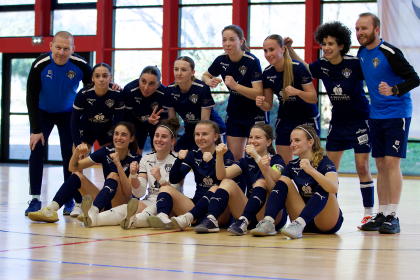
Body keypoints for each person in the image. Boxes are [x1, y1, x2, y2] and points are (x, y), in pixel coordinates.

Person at [284, 22, 374, 227]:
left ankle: (369, 213)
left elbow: (374, 76)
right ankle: (331, 209)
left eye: (331, 43)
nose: (326, 48)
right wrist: (290, 49)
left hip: (360, 121)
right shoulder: (322, 64)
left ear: (341, 45)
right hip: (338, 123)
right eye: (324, 43)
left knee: (362, 166)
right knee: (328, 169)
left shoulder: (355, 63)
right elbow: (306, 68)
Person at [355, 13, 420, 234]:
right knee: (380, 165)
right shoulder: (362, 53)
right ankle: (381, 213)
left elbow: (414, 78)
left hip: (397, 113)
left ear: (376, 30)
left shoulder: (389, 53)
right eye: (357, 29)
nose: (360, 32)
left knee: (392, 164)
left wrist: (394, 90)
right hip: (376, 115)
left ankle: (393, 216)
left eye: (364, 28)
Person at [26, 31, 93, 216]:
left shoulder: (81, 65)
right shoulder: (40, 65)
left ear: (73, 49)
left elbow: (94, 89)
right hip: (42, 113)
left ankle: (69, 198)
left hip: (68, 115)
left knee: (69, 153)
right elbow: (31, 97)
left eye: (66, 48)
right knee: (36, 150)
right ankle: (34, 198)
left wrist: (113, 86)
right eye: (58, 47)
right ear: (50, 47)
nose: (61, 52)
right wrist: (35, 130)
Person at [27, 122, 141, 224]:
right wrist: (76, 153)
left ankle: (93, 212)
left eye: (124, 135)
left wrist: (118, 164)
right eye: (116, 134)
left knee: (113, 175)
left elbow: (127, 192)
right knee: (77, 176)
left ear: (131, 139)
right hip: (105, 201)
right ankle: (51, 209)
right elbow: (73, 168)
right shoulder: (105, 152)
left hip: (123, 206)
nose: (119, 138)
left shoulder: (136, 159)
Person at [78, 118, 183, 229]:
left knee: (150, 210)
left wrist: (160, 178)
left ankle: (133, 220)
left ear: (173, 141)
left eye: (164, 137)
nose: (159, 139)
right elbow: (139, 193)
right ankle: (94, 219)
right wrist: (133, 175)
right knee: (124, 208)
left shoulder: (178, 160)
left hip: (168, 205)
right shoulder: (146, 158)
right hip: (149, 200)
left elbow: (173, 192)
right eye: (156, 136)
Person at [250, 125, 343, 239]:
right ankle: (268, 222)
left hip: (326, 221)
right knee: (283, 180)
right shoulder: (293, 165)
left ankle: (299, 224)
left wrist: (311, 171)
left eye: (297, 140)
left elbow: (334, 188)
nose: (292, 145)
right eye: (291, 141)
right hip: (303, 218)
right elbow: (277, 189)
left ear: (310, 142)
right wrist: (265, 170)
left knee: (324, 186)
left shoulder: (325, 162)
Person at [194, 124, 287, 235]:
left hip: (272, 215)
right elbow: (222, 175)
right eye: (250, 137)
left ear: (268, 142)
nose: (252, 141)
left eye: (257, 137)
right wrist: (219, 156)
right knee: (226, 182)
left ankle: (245, 220)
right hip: (249, 214)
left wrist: (257, 157)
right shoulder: (246, 160)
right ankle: (212, 218)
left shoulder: (277, 159)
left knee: (261, 182)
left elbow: (275, 184)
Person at [146, 120, 235, 230]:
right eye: (197, 134)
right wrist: (178, 160)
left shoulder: (226, 154)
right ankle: (163, 217)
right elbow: (174, 179)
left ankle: (188, 218)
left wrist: (212, 162)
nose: (200, 138)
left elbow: (224, 183)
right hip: (196, 208)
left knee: (216, 187)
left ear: (216, 136)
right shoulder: (194, 154)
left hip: (218, 211)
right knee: (165, 189)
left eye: (205, 134)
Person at [202, 25, 265, 162]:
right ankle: (237, 184)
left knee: (256, 159)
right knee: (234, 160)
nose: (227, 44)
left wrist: (236, 86)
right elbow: (205, 76)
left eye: (231, 40)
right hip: (235, 113)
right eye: (224, 40)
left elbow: (258, 93)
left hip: (254, 114)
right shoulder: (221, 60)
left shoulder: (252, 61)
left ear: (241, 41)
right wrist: (209, 81)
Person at [257, 34, 318, 165]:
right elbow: (268, 105)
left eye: (272, 49)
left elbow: (313, 98)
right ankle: (286, 185)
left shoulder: (298, 68)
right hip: (286, 120)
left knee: (309, 163)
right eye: (265, 51)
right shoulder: (267, 73)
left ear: (283, 49)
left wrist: (297, 92)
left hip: (306, 118)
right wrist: (262, 104)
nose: (268, 54)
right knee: (283, 163)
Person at [150, 56, 225, 152]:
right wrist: (171, 143)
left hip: (212, 131)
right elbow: (173, 122)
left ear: (192, 72)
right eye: (176, 69)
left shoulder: (202, 88)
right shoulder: (170, 90)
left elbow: (204, 122)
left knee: (204, 158)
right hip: (190, 131)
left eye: (183, 70)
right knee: (176, 153)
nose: (179, 73)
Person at [71, 62, 124, 157]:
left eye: (105, 76)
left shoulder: (117, 94)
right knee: (79, 157)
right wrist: (78, 144)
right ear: (92, 78)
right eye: (97, 76)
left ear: (111, 78)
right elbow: (74, 121)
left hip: (107, 130)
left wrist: (115, 143)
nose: (101, 79)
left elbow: (118, 122)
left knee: (111, 159)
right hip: (86, 129)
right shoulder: (83, 94)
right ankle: (77, 172)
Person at [124, 66, 168, 155]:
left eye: (152, 84)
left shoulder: (164, 93)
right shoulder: (129, 90)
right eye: (143, 81)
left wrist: (157, 120)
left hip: (156, 125)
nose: (146, 88)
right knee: (135, 154)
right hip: (136, 124)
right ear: (139, 79)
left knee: (158, 153)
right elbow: (127, 118)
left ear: (158, 84)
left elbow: (165, 122)